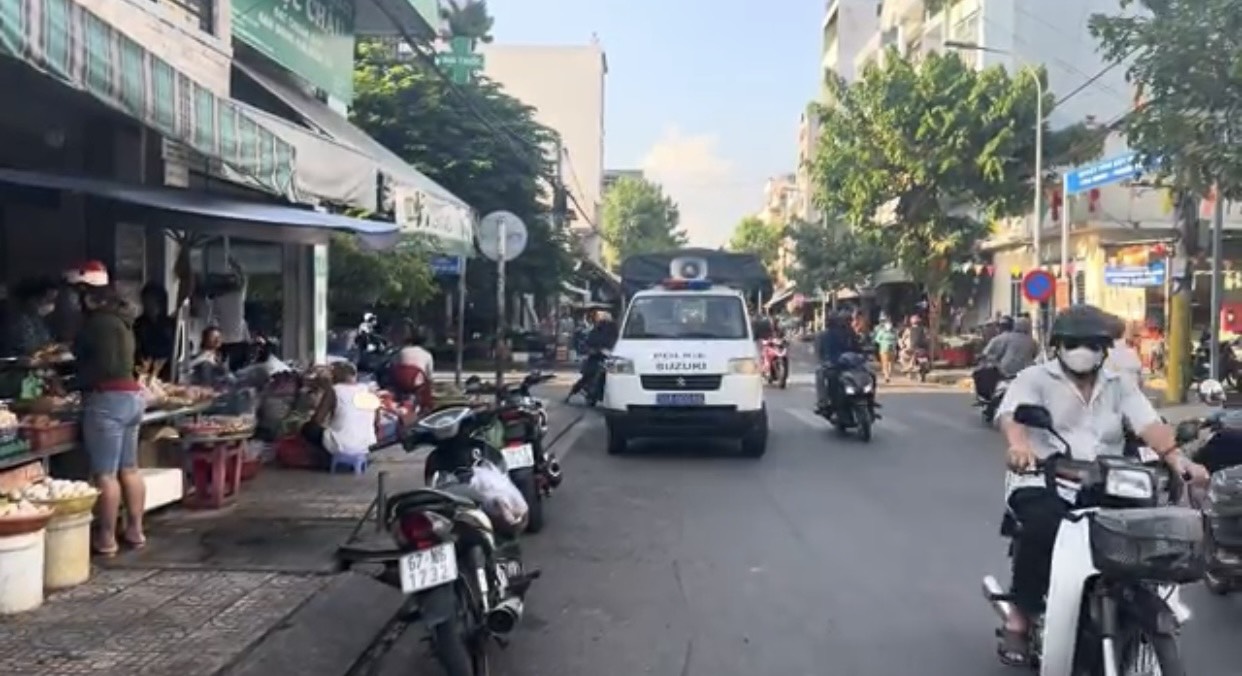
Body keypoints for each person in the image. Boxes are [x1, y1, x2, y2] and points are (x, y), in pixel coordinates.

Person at [993, 304, 1209, 666]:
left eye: (1092, 343)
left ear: (1104, 349)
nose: (1083, 350)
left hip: (1108, 481)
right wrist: (1019, 446)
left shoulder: (1118, 384)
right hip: (1043, 478)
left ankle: (1139, 600)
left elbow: (1149, 425)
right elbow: (1012, 417)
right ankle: (1020, 616)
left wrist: (1179, 460)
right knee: (1043, 528)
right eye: (1074, 342)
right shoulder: (1034, 379)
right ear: (1058, 345)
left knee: (1147, 529)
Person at [72, 270, 147, 556]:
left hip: (107, 400)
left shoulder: (95, 324)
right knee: (129, 468)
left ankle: (106, 537)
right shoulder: (123, 321)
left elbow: (86, 363)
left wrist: (74, 384)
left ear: (90, 298)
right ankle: (135, 529)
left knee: (105, 474)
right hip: (132, 397)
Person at [302, 362, 379, 467]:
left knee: (309, 429)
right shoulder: (368, 390)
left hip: (342, 445)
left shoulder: (335, 390)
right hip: (367, 445)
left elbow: (317, 420)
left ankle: (326, 459)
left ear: (335, 376)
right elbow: (376, 420)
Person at [567, 310, 617, 402]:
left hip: (607, 357)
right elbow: (589, 342)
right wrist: (593, 350)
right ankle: (573, 394)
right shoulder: (596, 330)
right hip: (595, 357)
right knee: (587, 375)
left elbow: (614, 342)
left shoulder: (612, 330)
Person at [815, 312, 861, 412]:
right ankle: (823, 401)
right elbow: (819, 353)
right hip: (834, 364)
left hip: (849, 364)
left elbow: (857, 348)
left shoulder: (849, 333)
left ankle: (823, 402)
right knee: (821, 373)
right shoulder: (824, 335)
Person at [4, 278, 58, 357]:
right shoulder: (15, 322)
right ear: (32, 299)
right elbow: (26, 351)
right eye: (48, 300)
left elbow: (46, 343)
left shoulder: (36, 319)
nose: (51, 304)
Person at [132, 283, 176, 379]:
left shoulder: (170, 325)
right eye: (146, 300)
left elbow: (174, 348)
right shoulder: (138, 324)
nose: (149, 304)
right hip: (143, 372)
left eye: (152, 300)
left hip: (168, 372)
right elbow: (136, 348)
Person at [1104, 315, 1143, 389]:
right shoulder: (1132, 354)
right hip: (1131, 396)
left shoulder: (1103, 355)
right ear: (1123, 332)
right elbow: (1140, 382)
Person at [873, 316, 897, 383]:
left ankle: (889, 374)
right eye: (887, 323)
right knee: (885, 363)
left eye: (890, 324)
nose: (889, 325)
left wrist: (894, 343)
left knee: (891, 363)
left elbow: (896, 339)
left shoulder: (894, 331)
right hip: (884, 349)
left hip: (892, 349)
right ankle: (886, 376)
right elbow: (877, 339)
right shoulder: (882, 331)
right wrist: (883, 342)